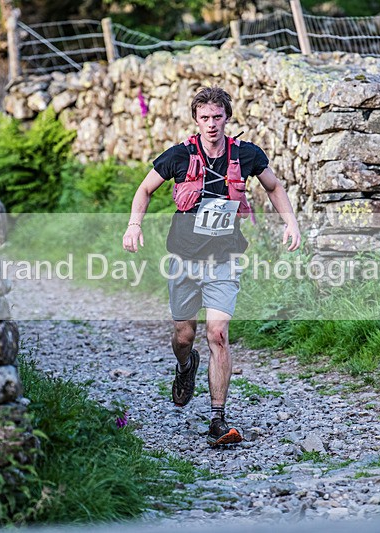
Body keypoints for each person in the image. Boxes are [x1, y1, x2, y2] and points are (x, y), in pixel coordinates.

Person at [123, 86, 301, 447]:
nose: (211, 124)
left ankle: (218, 417)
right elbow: (144, 190)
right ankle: (185, 366)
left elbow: (274, 186)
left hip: (224, 258)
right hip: (184, 259)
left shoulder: (247, 155)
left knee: (218, 333)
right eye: (204, 118)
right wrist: (134, 225)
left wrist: (291, 222)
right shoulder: (178, 155)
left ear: (227, 117)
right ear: (196, 120)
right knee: (183, 337)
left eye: (217, 117)